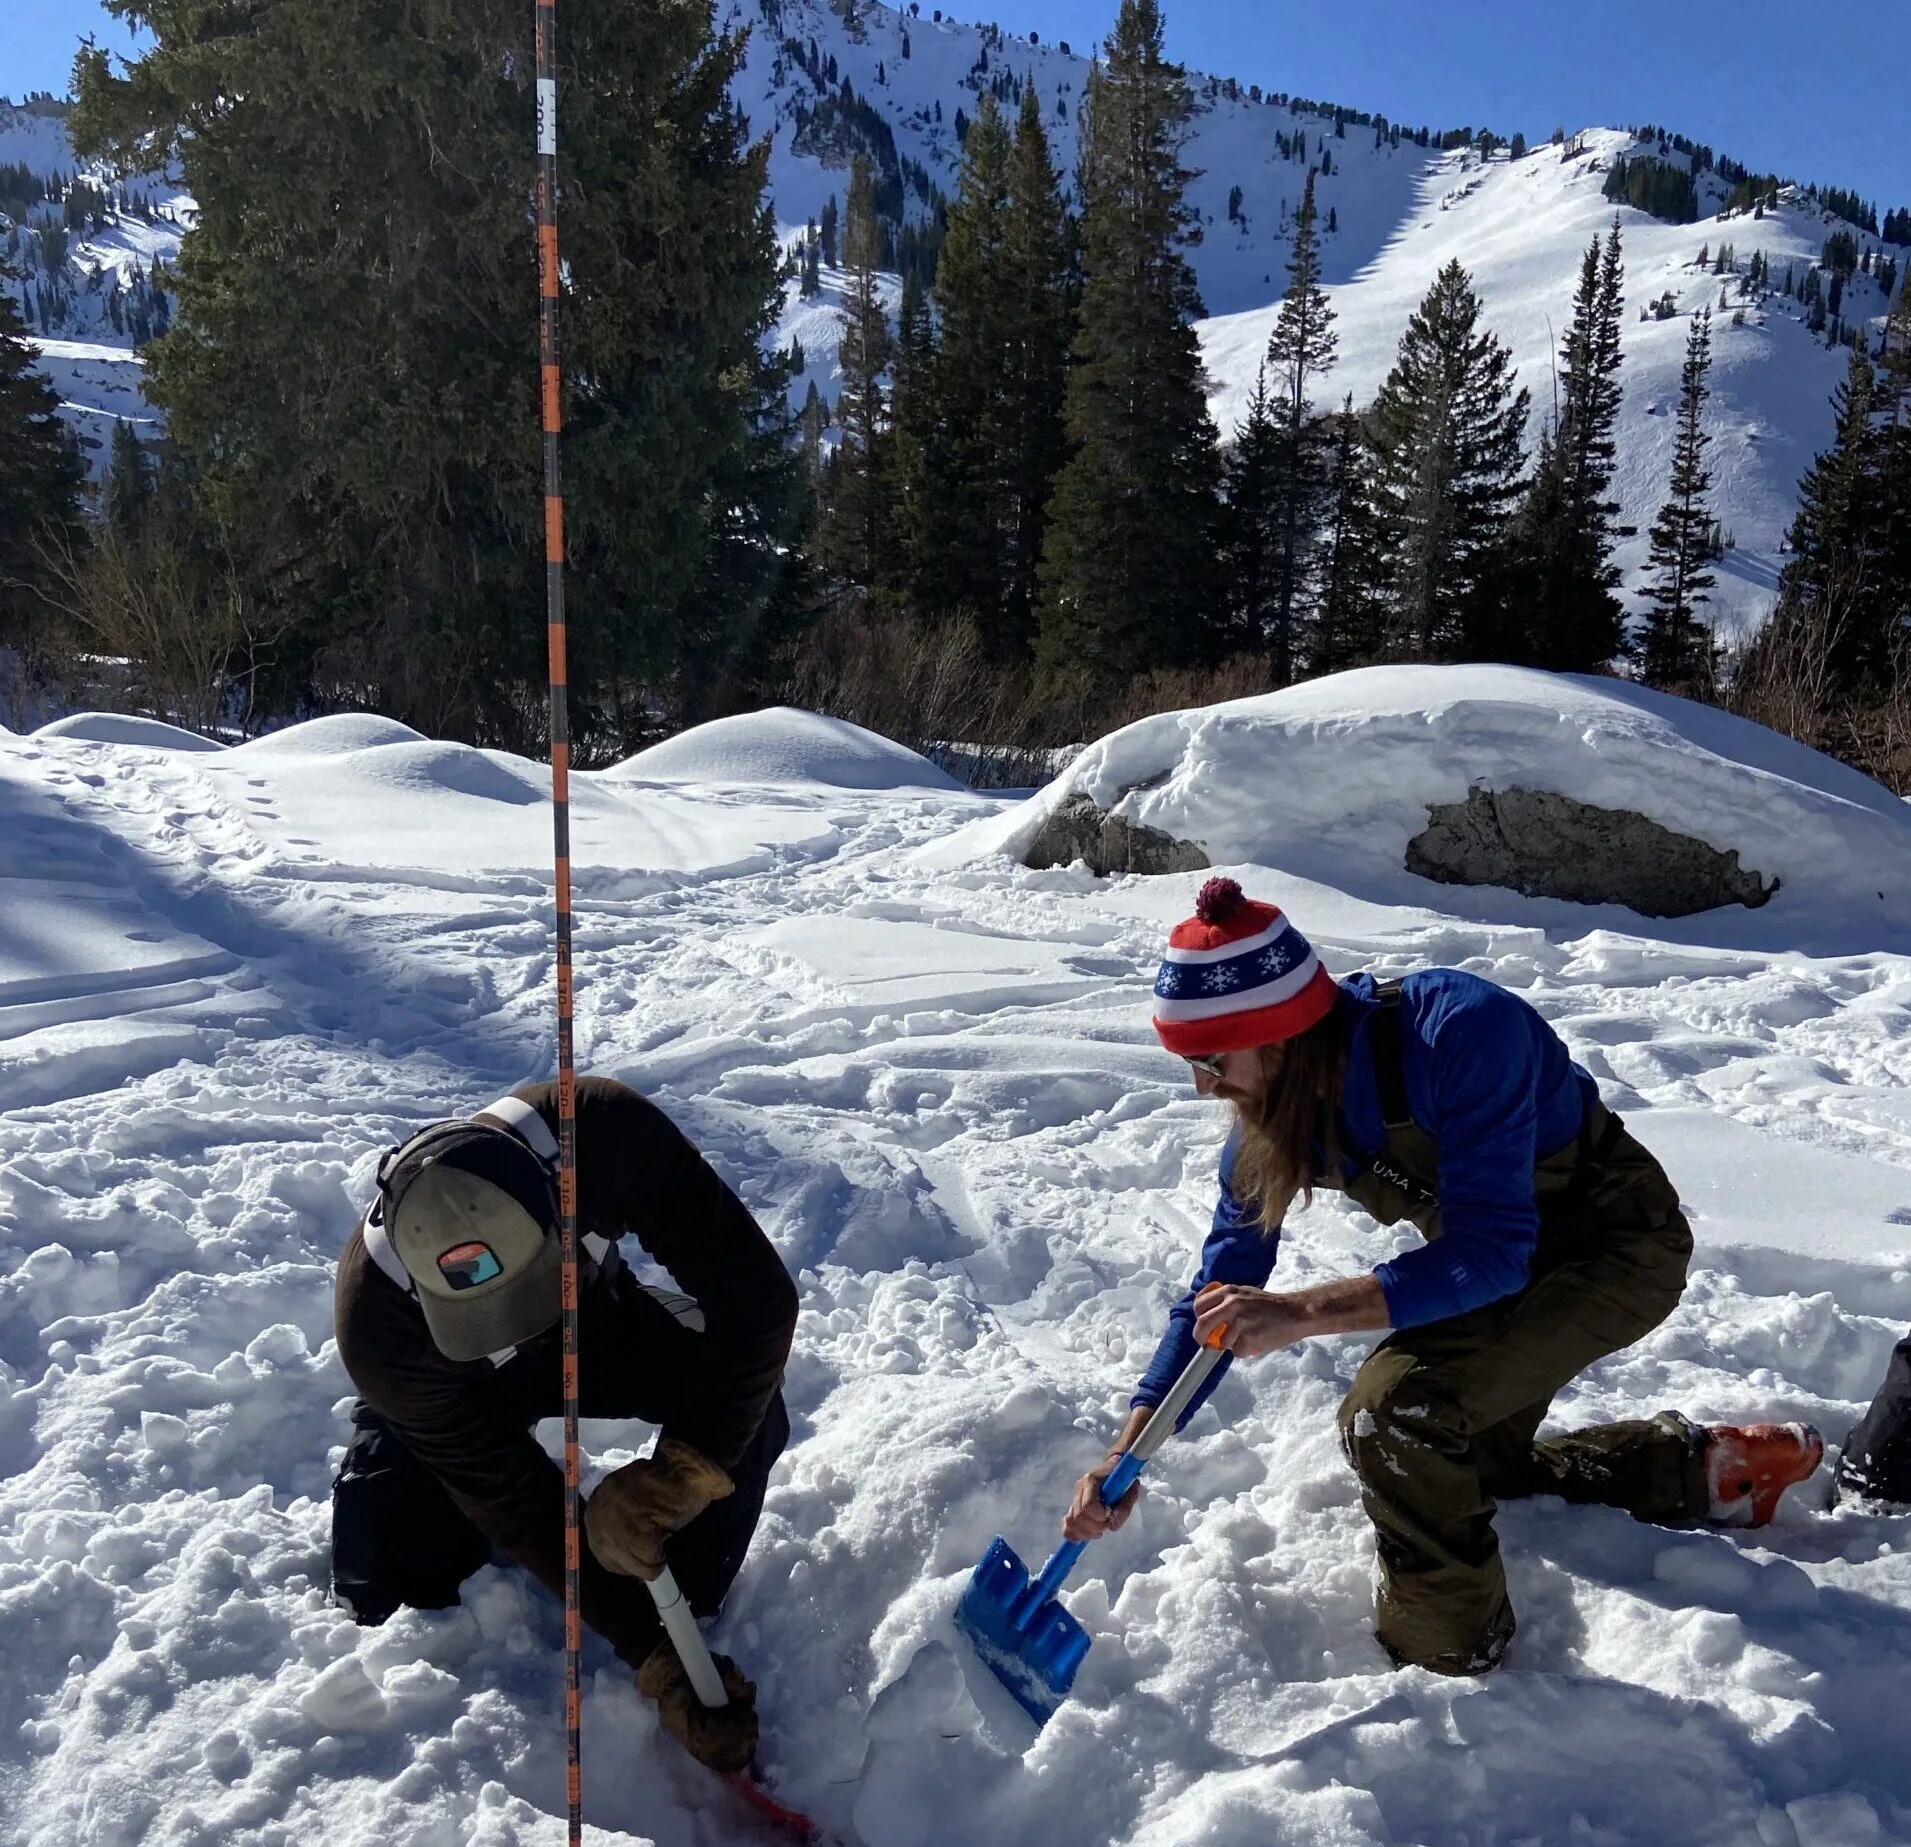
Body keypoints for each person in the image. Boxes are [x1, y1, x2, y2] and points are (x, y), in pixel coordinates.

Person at [1065, 879, 1822, 1675]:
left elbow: (1492, 1250)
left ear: (1279, 1035)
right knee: (1458, 1465)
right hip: (1488, 1268)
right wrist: (1126, 1452)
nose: (1201, 1085)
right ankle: (1693, 1469)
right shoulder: (1272, 1125)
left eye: (1210, 1060)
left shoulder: (1456, 1032)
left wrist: (1302, 1312)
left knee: (1397, 1411)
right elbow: (1215, 1296)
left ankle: (1448, 1656)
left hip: (1612, 1246)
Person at [330, 1075, 797, 1770]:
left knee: (743, 1405)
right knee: (387, 1579)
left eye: (526, 1294)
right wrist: (655, 1659)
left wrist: (682, 1469)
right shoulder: (377, 1327)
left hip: (596, 1322)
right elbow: (517, 1502)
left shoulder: (601, 1134)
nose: (515, 1328)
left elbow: (757, 1300)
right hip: (458, 1384)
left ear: (560, 1201)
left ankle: (678, 1597)